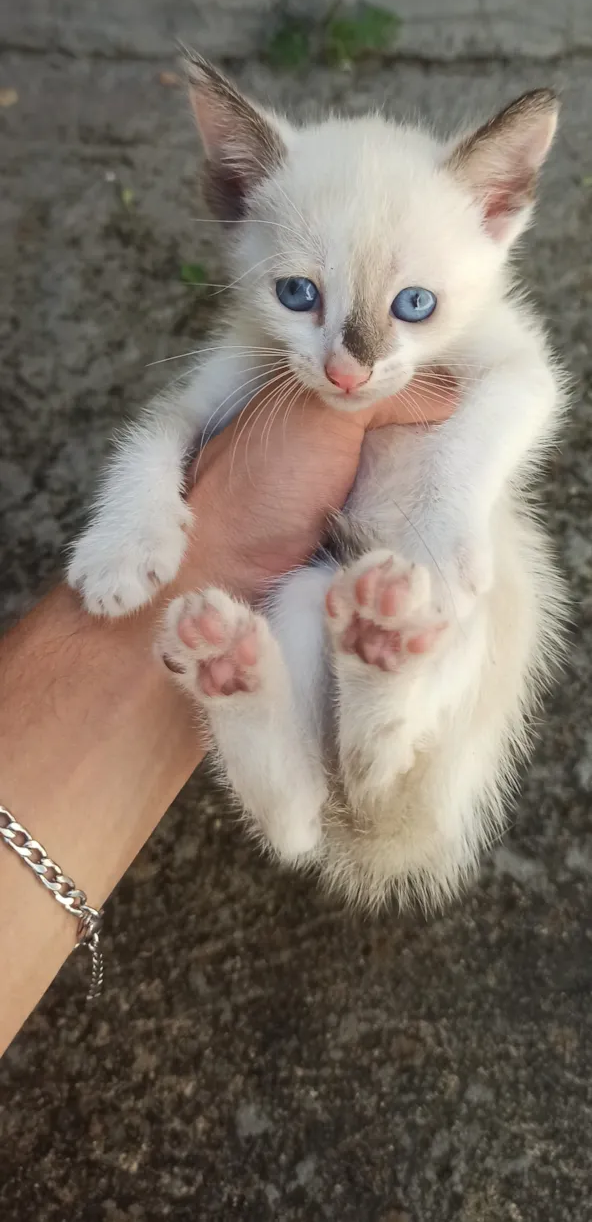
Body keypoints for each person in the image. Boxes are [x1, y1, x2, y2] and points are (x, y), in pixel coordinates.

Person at [0, 382, 455, 1053]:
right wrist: (152, 528)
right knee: (311, 605)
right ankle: (318, 749)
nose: (346, 367)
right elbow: (173, 422)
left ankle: (368, 719)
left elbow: (522, 385)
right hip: (354, 589)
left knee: (407, 610)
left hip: (415, 605)